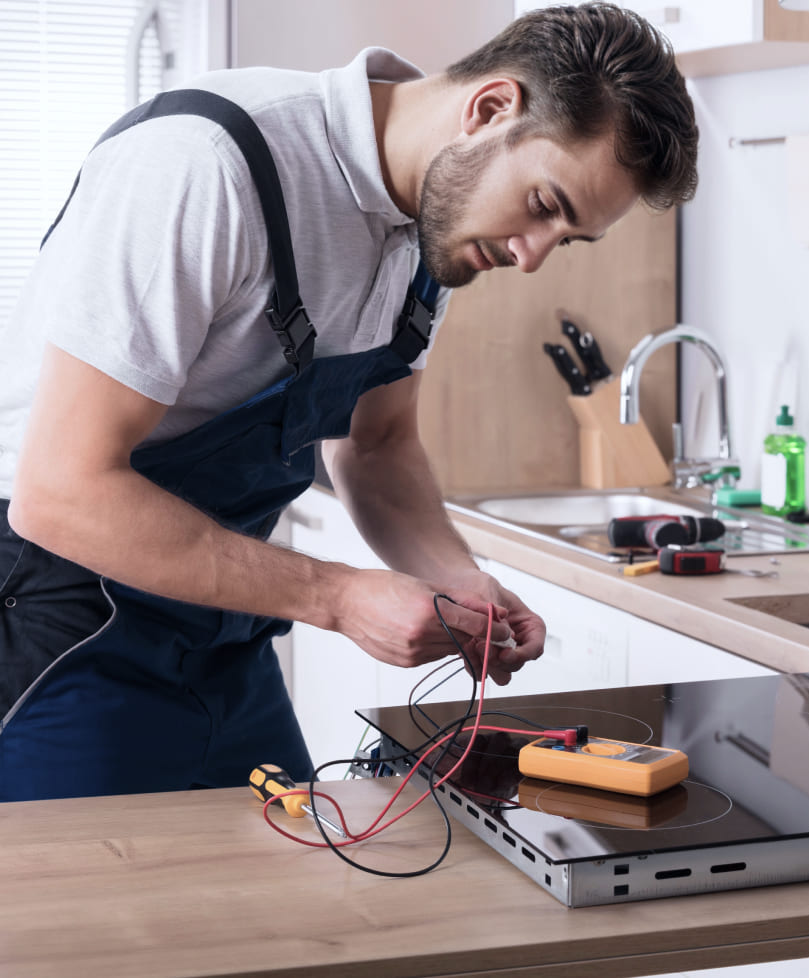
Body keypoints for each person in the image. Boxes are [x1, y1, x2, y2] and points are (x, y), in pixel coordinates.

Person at [0, 2, 698, 801]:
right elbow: (60, 492)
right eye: (545, 206)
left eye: (567, 239)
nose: (532, 258)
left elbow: (377, 444)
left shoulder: (432, 226)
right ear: (490, 109)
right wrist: (335, 596)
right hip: (60, 621)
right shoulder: (204, 165)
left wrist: (460, 584)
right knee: (99, 918)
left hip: (220, 634)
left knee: (293, 897)